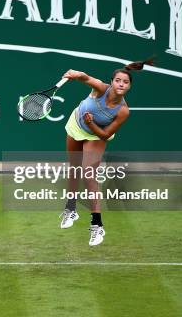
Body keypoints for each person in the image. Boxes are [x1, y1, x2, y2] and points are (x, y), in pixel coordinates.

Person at [59, 59, 152, 246]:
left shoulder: (123, 111)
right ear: (112, 82)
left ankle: (97, 225)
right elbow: (86, 78)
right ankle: (71, 208)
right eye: (118, 80)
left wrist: (92, 122)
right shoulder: (101, 88)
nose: (121, 84)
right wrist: (76, 74)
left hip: (96, 135)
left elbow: (105, 134)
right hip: (76, 124)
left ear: (129, 87)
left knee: (88, 174)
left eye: (125, 82)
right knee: (74, 169)